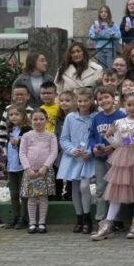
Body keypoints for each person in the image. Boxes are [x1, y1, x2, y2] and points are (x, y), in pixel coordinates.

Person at [90, 91, 134, 241]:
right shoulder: (119, 123)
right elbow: (118, 144)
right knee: (116, 190)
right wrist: (108, 136)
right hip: (122, 158)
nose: (132, 108)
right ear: (124, 106)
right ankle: (108, 224)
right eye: (129, 105)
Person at [57, 88, 96, 235]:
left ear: (92, 101)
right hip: (74, 158)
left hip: (88, 158)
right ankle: (79, 218)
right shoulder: (70, 118)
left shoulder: (95, 117)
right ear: (76, 102)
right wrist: (72, 150)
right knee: (75, 188)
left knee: (85, 186)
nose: (83, 103)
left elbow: (98, 137)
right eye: (80, 101)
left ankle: (88, 218)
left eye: (86, 100)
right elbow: (64, 139)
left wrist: (91, 151)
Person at [88, 87, 126, 229]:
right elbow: (91, 136)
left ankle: (116, 219)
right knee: (100, 188)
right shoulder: (97, 118)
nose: (104, 101)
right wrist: (94, 148)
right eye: (101, 98)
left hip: (116, 157)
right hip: (100, 158)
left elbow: (126, 137)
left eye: (106, 97)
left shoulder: (121, 116)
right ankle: (100, 218)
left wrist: (114, 147)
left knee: (115, 188)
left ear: (113, 98)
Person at [18, 109, 58, 234]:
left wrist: (45, 167)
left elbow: (53, 152)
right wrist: (27, 168)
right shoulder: (26, 136)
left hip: (45, 172)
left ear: (46, 120)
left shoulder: (51, 136)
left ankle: (41, 222)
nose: (38, 121)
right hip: (30, 171)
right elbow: (22, 153)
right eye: (35, 119)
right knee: (32, 197)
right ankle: (32, 223)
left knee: (42, 197)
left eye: (41, 119)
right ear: (31, 120)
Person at [2, 105, 31, 229]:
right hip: (11, 166)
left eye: (16, 114)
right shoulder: (10, 130)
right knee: (13, 193)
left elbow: (30, 145)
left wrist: (19, 142)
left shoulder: (27, 129)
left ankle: (23, 217)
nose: (13, 117)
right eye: (11, 115)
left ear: (23, 116)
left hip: (22, 166)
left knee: (23, 193)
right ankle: (15, 216)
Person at [0, 84, 34, 153]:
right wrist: (1, 146)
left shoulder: (32, 112)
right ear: (13, 96)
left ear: (28, 96)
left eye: (22, 94)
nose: (19, 96)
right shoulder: (8, 109)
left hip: (26, 148)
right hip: (9, 147)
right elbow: (2, 129)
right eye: (17, 94)